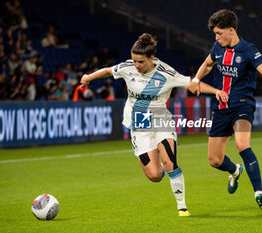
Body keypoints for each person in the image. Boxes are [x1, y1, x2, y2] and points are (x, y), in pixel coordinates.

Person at [80, 33, 227, 216]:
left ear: (151, 58)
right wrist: (88, 77)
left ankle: (182, 207)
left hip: (160, 119)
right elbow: (109, 71)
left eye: (140, 61)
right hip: (139, 123)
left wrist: (216, 91)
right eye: (134, 61)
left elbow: (191, 83)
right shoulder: (128, 67)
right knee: (154, 175)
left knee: (170, 162)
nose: (137, 65)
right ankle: (162, 169)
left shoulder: (166, 72)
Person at [188, 9, 262, 210]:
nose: (216, 37)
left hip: (242, 104)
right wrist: (197, 79)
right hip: (221, 108)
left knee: (242, 144)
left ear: (231, 30)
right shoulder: (217, 47)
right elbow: (207, 65)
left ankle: (259, 193)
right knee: (214, 160)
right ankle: (235, 170)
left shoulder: (248, 50)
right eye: (215, 34)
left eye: (219, 33)